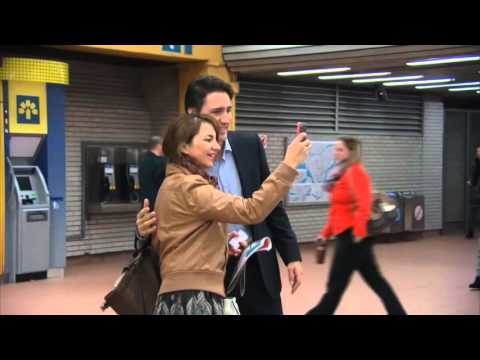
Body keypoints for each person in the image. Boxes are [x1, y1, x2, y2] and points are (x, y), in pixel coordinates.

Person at [135, 76, 304, 314]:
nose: (226, 119)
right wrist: (142, 231)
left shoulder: (249, 145)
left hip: (255, 268)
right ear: (194, 115)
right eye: (217, 112)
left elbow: (273, 205)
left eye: (229, 110)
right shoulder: (170, 169)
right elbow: (158, 228)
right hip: (203, 284)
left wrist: (291, 255)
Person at [306, 137, 407, 315]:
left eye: (340, 149)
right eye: (335, 149)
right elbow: (338, 209)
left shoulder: (356, 172)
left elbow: (364, 203)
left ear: (350, 152)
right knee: (375, 280)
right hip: (349, 235)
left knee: (336, 285)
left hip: (353, 237)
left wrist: (359, 233)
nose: (335, 152)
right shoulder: (343, 173)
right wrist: (325, 233)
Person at [139, 136, 167, 210]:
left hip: (145, 203)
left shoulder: (143, 160)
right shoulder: (161, 162)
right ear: (159, 146)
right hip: (159, 203)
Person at [466, 145, 480, 290]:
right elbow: (474, 180)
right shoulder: (476, 165)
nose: (477, 153)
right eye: (476, 151)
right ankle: (478, 278)